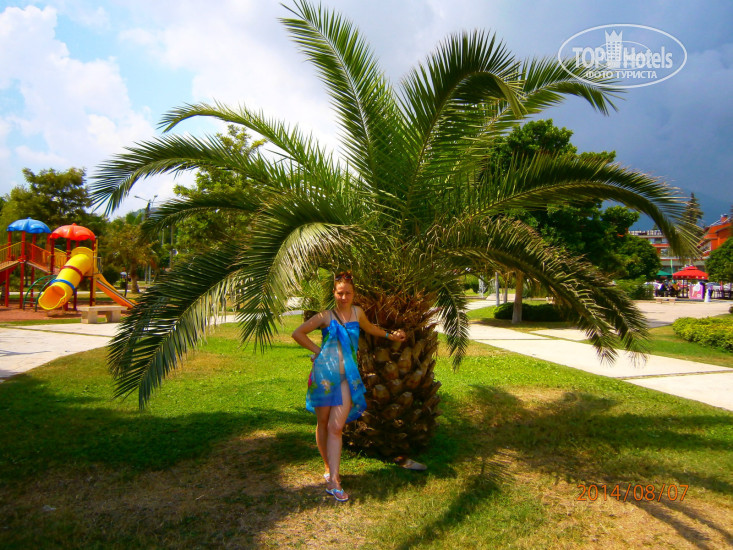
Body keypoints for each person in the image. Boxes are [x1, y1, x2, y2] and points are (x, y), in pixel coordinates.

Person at [292, 271, 406, 502]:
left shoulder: (357, 313)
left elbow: (370, 328)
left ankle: (334, 481)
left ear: (354, 294)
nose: (343, 297)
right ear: (334, 293)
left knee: (336, 427)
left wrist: (390, 335)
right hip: (324, 377)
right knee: (323, 423)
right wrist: (318, 351)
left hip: (346, 377)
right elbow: (298, 333)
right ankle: (328, 467)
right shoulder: (325, 316)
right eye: (340, 293)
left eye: (348, 293)